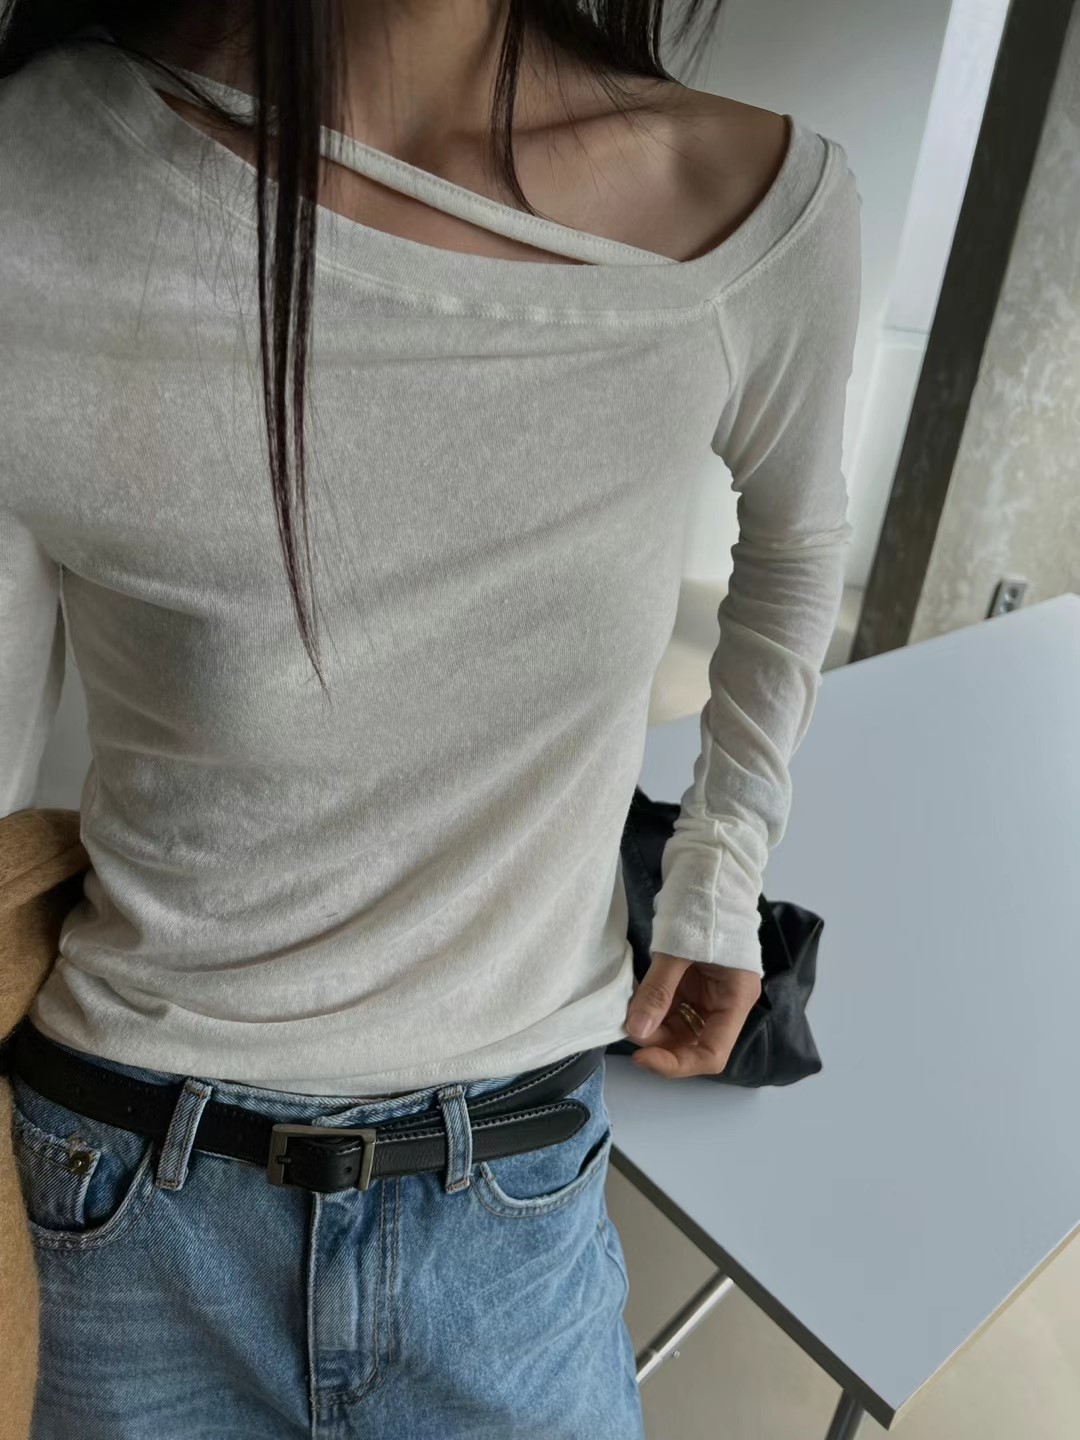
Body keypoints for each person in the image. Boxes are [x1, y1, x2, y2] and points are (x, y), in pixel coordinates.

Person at [0, 1, 862, 1435]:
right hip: (124, 1202)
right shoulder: (35, 181)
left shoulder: (756, 210)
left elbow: (798, 539)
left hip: (511, 1212)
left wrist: (720, 877)